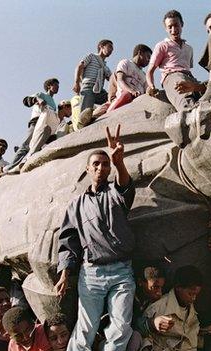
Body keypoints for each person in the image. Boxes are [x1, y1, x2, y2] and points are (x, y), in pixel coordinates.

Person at [55, 125, 136, 350]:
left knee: (121, 328)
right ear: (88, 169)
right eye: (96, 164)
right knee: (85, 329)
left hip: (122, 272)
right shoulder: (76, 205)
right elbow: (68, 242)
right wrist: (64, 274)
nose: (101, 167)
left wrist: (119, 162)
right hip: (91, 273)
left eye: (105, 164)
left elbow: (126, 187)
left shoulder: (115, 193)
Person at [146, 10, 199, 111]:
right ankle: (188, 111)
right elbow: (150, 71)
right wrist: (152, 86)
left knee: (206, 88)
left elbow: (188, 68)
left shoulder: (189, 48)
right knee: (183, 95)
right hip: (172, 76)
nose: (173, 29)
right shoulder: (162, 45)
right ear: (166, 28)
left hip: (189, 77)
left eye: (176, 25)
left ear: (182, 24)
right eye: (170, 27)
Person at [141, 265, 203, 350]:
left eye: (196, 294)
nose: (194, 298)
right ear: (178, 287)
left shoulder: (191, 311)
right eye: (190, 294)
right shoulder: (157, 308)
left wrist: (204, 331)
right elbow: (144, 337)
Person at [6, 78, 60, 171]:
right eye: (55, 85)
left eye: (58, 86)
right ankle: (10, 167)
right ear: (49, 86)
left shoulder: (54, 104)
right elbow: (26, 100)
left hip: (46, 126)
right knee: (27, 144)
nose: (57, 87)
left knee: (38, 146)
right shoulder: (41, 94)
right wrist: (37, 99)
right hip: (37, 121)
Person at [106, 44, 152, 113]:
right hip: (125, 96)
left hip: (137, 101)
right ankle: (109, 114)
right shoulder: (126, 63)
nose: (149, 60)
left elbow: (147, 90)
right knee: (127, 95)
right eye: (147, 56)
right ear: (140, 53)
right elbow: (120, 79)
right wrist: (131, 91)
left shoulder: (144, 75)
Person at [73, 39, 113, 116]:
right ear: (101, 46)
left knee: (113, 100)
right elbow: (79, 66)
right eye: (109, 47)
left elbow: (112, 79)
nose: (111, 50)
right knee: (85, 115)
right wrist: (77, 83)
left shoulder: (106, 67)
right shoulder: (91, 56)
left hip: (99, 91)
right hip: (88, 87)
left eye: (112, 49)